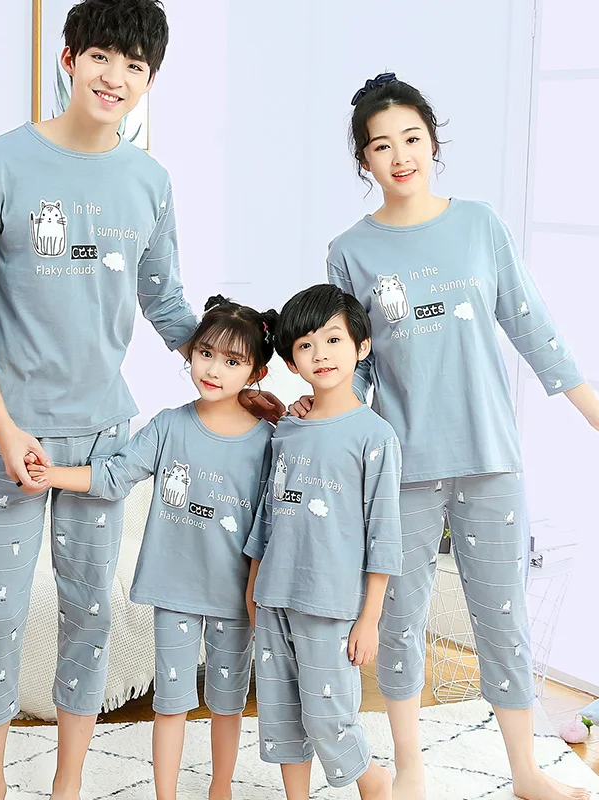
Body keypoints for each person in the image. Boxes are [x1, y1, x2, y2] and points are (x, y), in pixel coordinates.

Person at [0, 2, 281, 797]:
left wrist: (248, 372)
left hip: (103, 438)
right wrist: (5, 427)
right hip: (14, 435)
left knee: (91, 613)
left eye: (135, 66)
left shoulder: (149, 180)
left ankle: (67, 784)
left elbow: (168, 305)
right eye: (102, 57)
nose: (116, 77)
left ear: (150, 79)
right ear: (69, 58)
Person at [290, 73, 599, 800]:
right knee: (399, 624)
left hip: (490, 459)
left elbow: (530, 321)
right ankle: (410, 769)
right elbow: (355, 364)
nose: (400, 156)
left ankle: (525, 773)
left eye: (412, 138)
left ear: (433, 142)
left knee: (502, 622)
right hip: (403, 466)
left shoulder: (480, 225)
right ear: (363, 159)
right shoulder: (349, 250)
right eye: (381, 146)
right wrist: (318, 413)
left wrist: (592, 408)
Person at [27, 296, 276, 800]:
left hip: (237, 597)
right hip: (174, 588)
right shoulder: (168, 426)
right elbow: (117, 475)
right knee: (171, 703)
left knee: (228, 704)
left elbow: (273, 524)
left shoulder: (270, 441)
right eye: (206, 353)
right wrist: (53, 475)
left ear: (256, 373)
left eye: (233, 362)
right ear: (191, 353)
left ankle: (221, 789)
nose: (214, 370)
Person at [245, 284, 402, 800]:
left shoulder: (376, 436)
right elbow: (268, 515)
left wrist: (370, 618)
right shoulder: (288, 429)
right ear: (292, 361)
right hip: (274, 594)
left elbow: (383, 532)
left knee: (328, 714)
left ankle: (373, 781)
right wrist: (253, 587)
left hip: (332, 601)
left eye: (333, 339)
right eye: (306, 345)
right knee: (281, 715)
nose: (321, 353)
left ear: (361, 347)